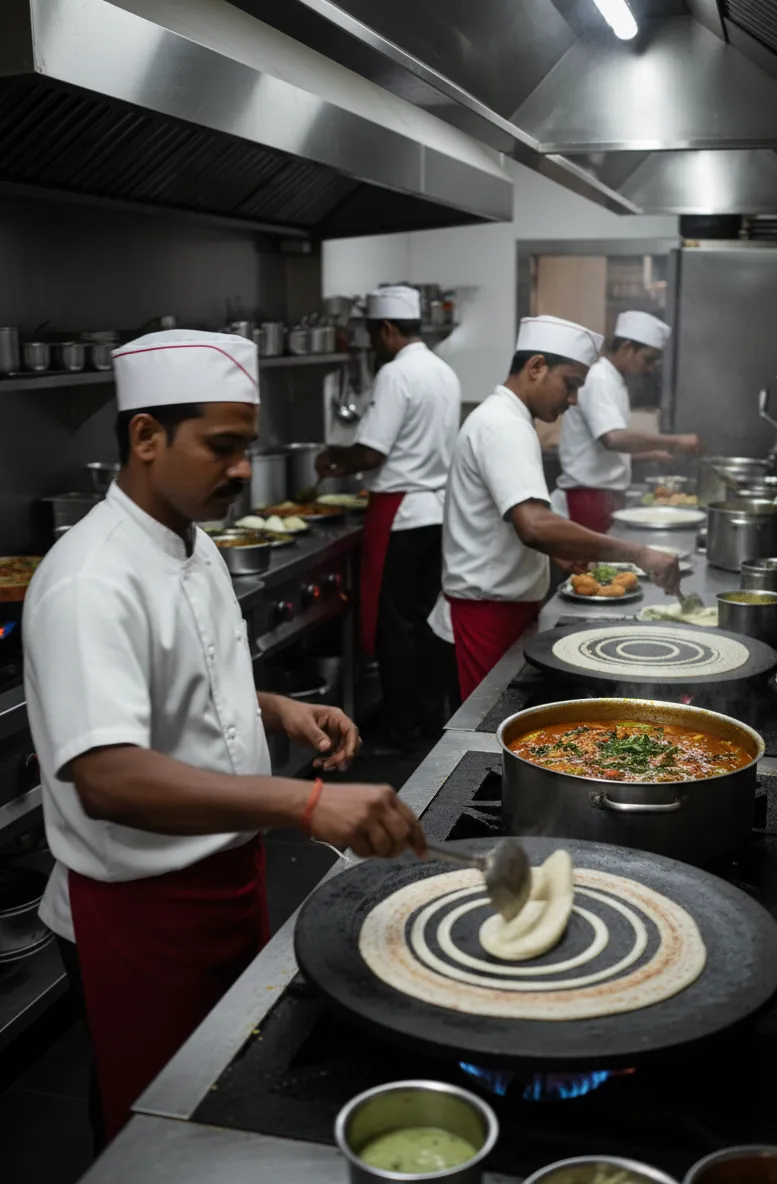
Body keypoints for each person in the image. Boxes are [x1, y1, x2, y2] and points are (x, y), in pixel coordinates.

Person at [23, 329, 425, 1143]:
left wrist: (273, 708)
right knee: (159, 1129)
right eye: (223, 446)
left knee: (217, 1094)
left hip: (226, 878)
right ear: (145, 436)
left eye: (248, 447)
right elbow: (108, 776)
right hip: (140, 910)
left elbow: (187, 680)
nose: (243, 470)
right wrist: (306, 804)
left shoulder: (192, 541)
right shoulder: (90, 580)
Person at [438, 315, 682, 701]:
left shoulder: (508, 418)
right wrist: (640, 553)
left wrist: (558, 553)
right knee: (486, 725)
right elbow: (533, 525)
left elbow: (508, 522)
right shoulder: (504, 425)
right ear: (536, 367)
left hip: (502, 605)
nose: (572, 400)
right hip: (487, 612)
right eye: (570, 385)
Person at [316, 286, 461, 750]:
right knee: (425, 622)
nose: (373, 346)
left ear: (387, 329)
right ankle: (427, 717)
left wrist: (331, 458)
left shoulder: (396, 374)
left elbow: (371, 450)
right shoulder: (443, 371)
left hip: (401, 513)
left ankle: (399, 733)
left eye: (373, 336)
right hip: (437, 511)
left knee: (394, 628)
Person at [558, 311, 700, 533]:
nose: (649, 368)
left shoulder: (615, 382)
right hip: (588, 497)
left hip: (603, 496)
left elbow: (602, 451)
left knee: (608, 565)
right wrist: (674, 441)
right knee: (592, 566)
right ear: (626, 347)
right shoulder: (599, 378)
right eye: (648, 359)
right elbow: (613, 439)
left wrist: (650, 454)